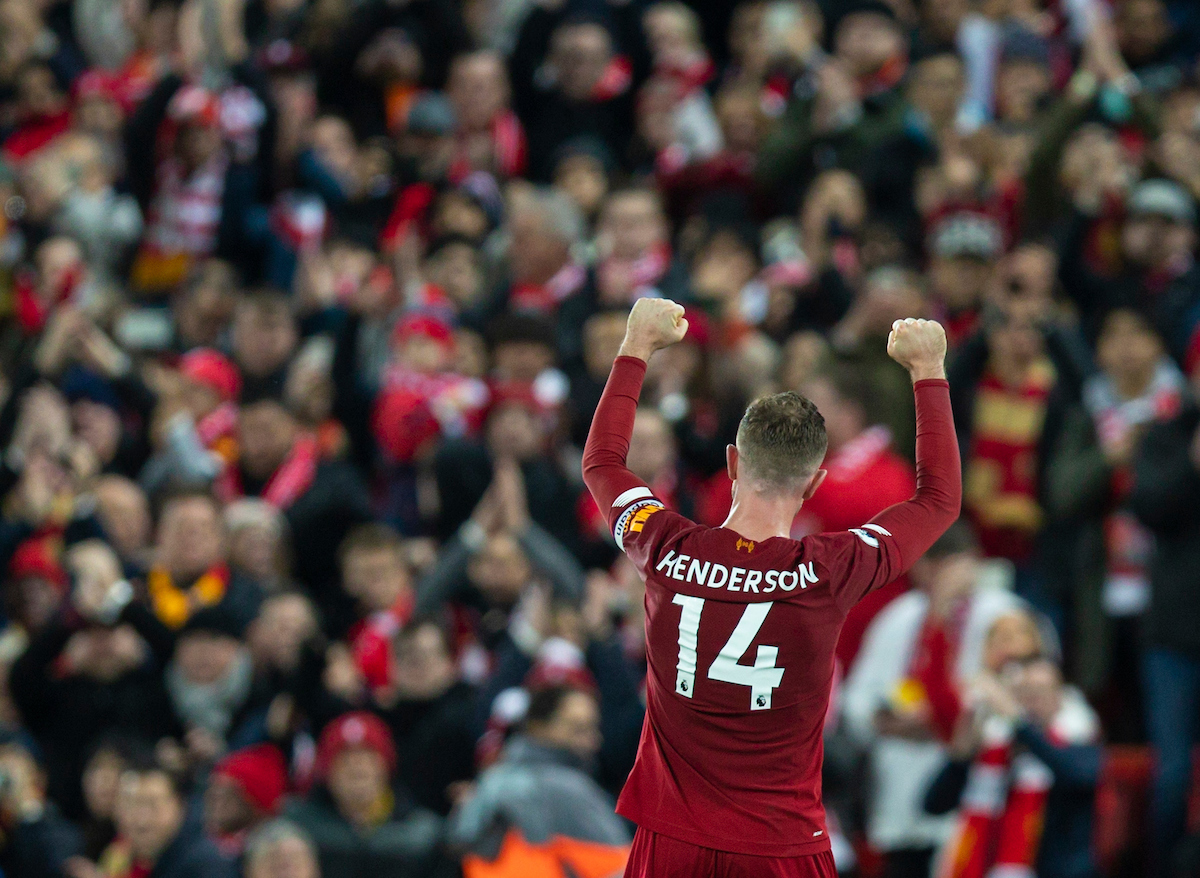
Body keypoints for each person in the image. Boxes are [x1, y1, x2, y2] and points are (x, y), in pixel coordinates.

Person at [581, 298, 961, 875]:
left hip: (670, 842)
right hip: (778, 844)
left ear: (732, 464)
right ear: (814, 482)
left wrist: (636, 347)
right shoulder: (832, 569)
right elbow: (938, 499)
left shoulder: (664, 546)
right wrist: (928, 370)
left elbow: (603, 463)